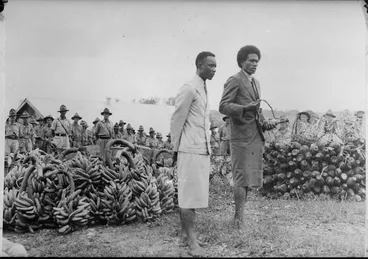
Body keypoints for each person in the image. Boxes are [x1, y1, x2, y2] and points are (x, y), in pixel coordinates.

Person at [219, 45, 276, 230]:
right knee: (241, 178)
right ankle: (238, 219)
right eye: (251, 60)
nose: (254, 64)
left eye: (257, 61)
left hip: (254, 136)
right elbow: (223, 106)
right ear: (241, 61)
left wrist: (266, 122)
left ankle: (240, 216)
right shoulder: (234, 80)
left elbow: (256, 109)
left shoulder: (256, 82)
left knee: (250, 179)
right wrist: (244, 109)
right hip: (241, 137)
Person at [171, 51, 216, 256]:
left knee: (194, 195)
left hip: (201, 148)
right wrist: (175, 148)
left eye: (215, 66)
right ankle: (192, 242)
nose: (214, 69)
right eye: (210, 66)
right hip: (188, 149)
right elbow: (177, 120)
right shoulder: (189, 88)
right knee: (188, 197)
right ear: (199, 65)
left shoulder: (203, 88)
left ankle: (183, 236)